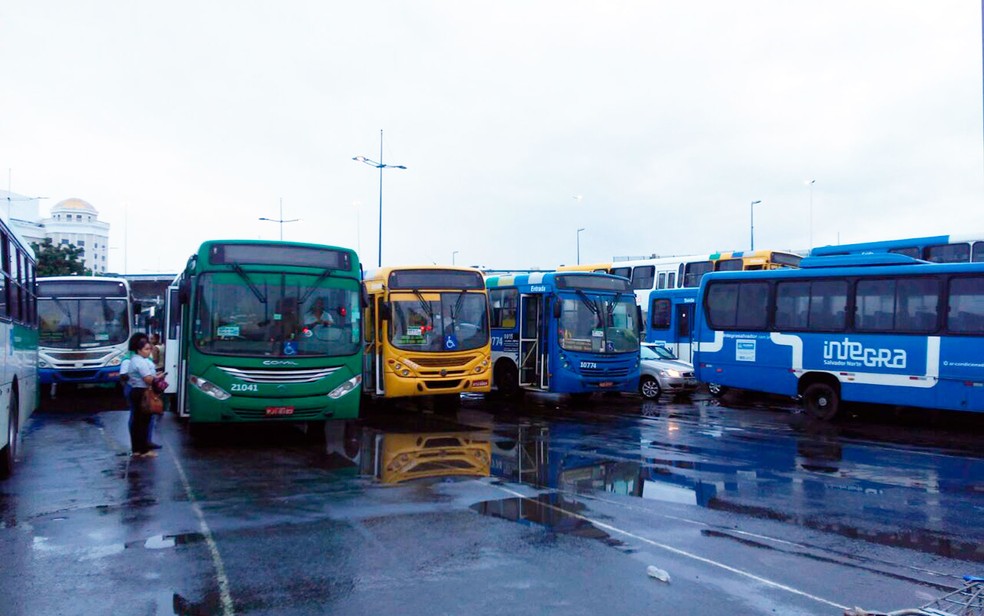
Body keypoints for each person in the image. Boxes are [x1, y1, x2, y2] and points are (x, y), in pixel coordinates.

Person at [127, 335, 158, 458]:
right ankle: (143, 450)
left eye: (149, 349)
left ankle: (137, 449)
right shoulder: (139, 361)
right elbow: (148, 379)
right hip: (142, 392)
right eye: (146, 349)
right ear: (138, 350)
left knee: (138, 421)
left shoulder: (136, 360)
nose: (149, 351)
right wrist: (158, 379)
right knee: (142, 422)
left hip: (137, 391)